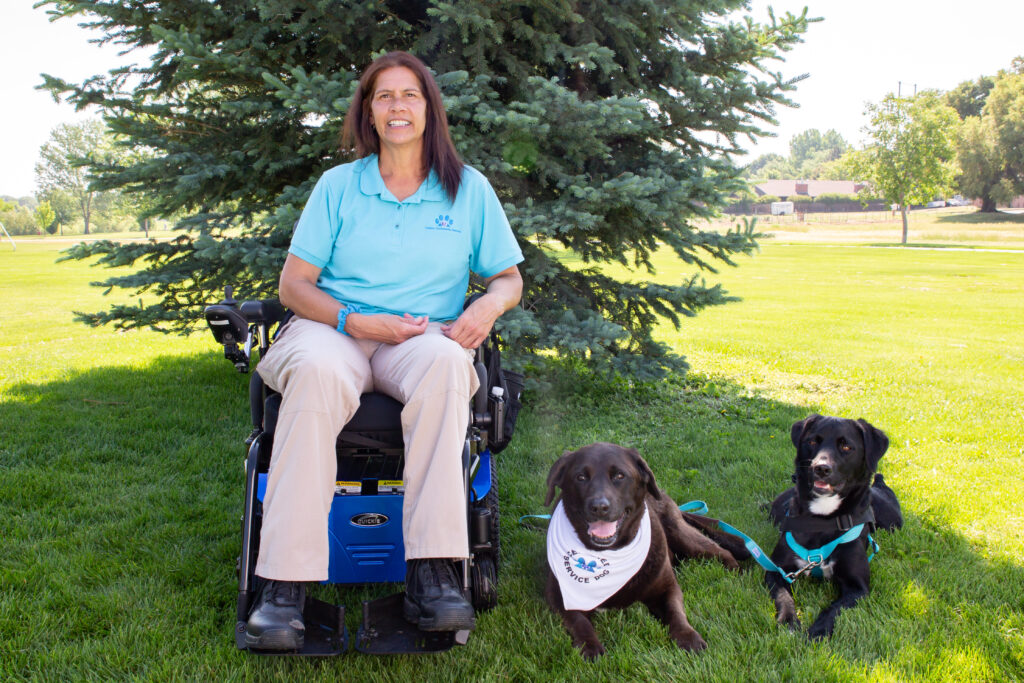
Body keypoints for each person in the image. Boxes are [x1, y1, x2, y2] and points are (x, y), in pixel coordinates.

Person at [244, 51, 524, 650]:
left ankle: (433, 573)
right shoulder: (339, 187)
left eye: (410, 95)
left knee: (451, 366)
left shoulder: (467, 190)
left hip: (422, 336)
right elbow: (293, 286)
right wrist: (353, 318)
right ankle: (284, 585)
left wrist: (486, 305)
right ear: (368, 112)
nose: (398, 106)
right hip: (334, 329)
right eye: (384, 96)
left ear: (429, 109)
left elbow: (508, 278)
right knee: (316, 372)